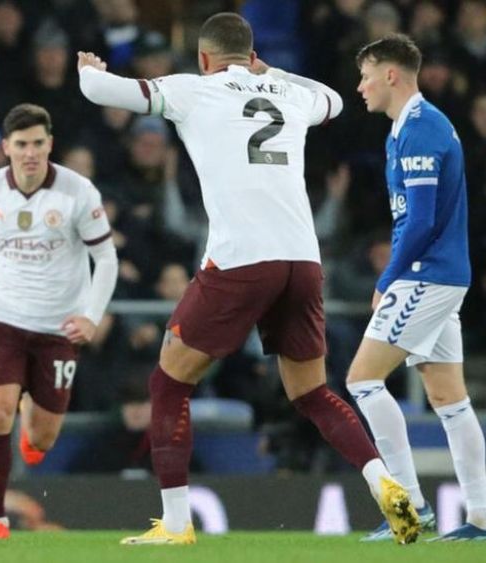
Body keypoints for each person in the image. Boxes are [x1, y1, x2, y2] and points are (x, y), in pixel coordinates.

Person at [78, 12, 420, 546]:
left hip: (241, 258)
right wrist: (274, 74)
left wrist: (87, 69)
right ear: (252, 53)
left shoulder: (194, 89)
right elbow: (332, 97)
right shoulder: (288, 93)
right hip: (303, 261)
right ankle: (384, 483)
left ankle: (175, 523)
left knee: (168, 383)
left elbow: (101, 91)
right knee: (311, 393)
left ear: (203, 57)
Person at [347, 33, 486, 542]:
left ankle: (409, 507)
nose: (360, 86)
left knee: (363, 380)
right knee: (449, 400)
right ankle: (481, 519)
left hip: (426, 273)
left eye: (367, 75)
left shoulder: (421, 128)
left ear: (392, 75)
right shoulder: (405, 129)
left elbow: (421, 221)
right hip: (440, 274)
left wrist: (388, 277)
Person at [0, 103, 119, 540]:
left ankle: (30, 419)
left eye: (38, 143)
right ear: (6, 148)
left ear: (50, 144)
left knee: (41, 439)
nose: (31, 152)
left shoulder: (78, 191)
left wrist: (92, 317)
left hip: (59, 328)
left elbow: (105, 257)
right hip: (4, 318)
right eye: (21, 144)